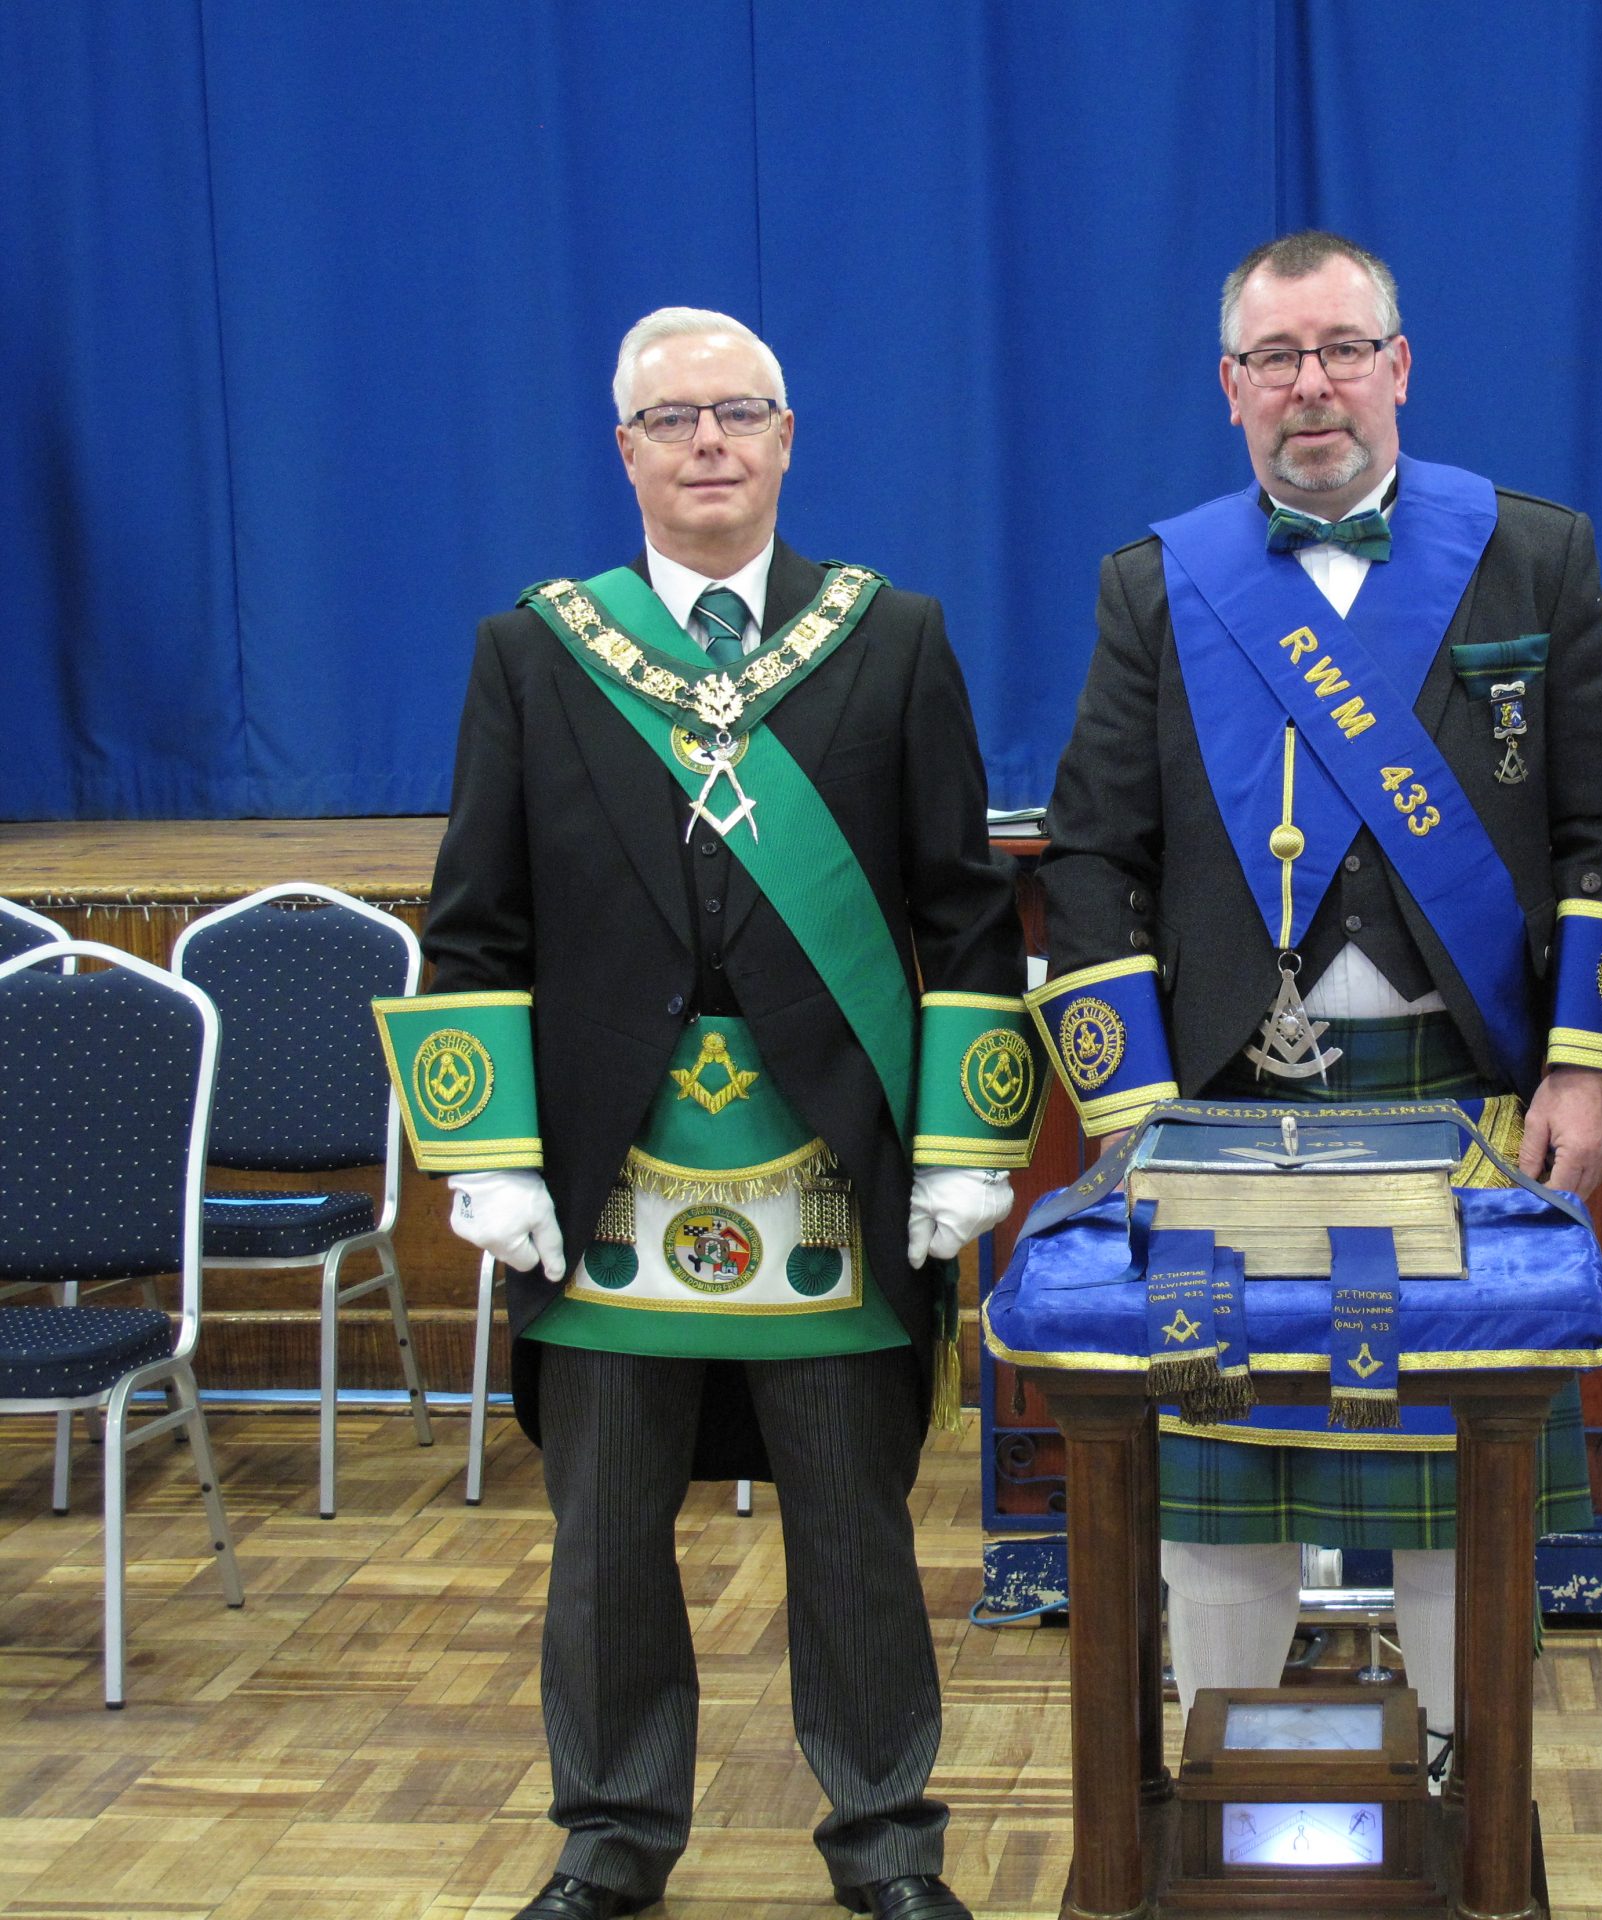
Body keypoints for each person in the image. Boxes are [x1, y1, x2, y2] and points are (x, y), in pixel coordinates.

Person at [408, 307, 1037, 1920]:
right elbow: (476, 925)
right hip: (604, 1174)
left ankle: (888, 1844)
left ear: (785, 438)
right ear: (624, 449)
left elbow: (964, 916)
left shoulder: (888, 637)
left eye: (739, 413)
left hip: (831, 1163)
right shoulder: (536, 651)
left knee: (853, 1533)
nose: (708, 442)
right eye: (673, 418)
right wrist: (485, 1159)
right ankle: (611, 1841)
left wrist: (968, 1144)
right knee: (607, 1545)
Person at [1035, 231, 1602, 1746]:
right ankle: (1236, 1799)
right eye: (1274, 360)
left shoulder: (1536, 554)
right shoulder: (1153, 584)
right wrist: (1127, 1113)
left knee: (1454, 1469)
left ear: (1399, 366)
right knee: (1223, 1464)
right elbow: (1089, 860)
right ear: (1230, 390)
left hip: (1459, 1102)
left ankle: (1470, 1804)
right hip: (1219, 1110)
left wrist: (1586, 1064)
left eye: (1339, 351)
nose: (1309, 388)